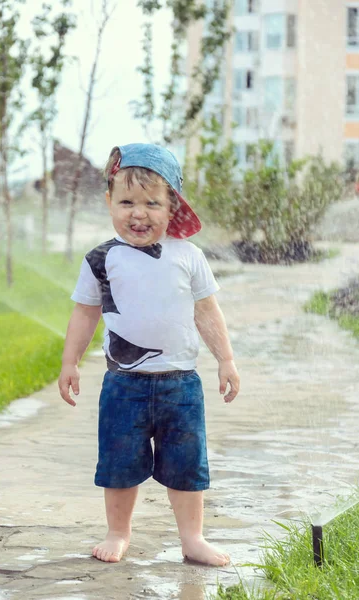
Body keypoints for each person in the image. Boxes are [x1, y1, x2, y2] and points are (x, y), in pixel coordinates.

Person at [58, 143, 240, 566]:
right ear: (108, 202)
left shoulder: (188, 256)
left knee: (187, 465)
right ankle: (118, 531)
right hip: (124, 385)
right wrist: (70, 362)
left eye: (151, 203)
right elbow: (85, 314)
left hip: (181, 383)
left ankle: (192, 537)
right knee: (119, 463)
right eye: (126, 202)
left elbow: (207, 311)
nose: (138, 213)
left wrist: (226, 359)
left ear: (172, 206)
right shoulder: (101, 260)